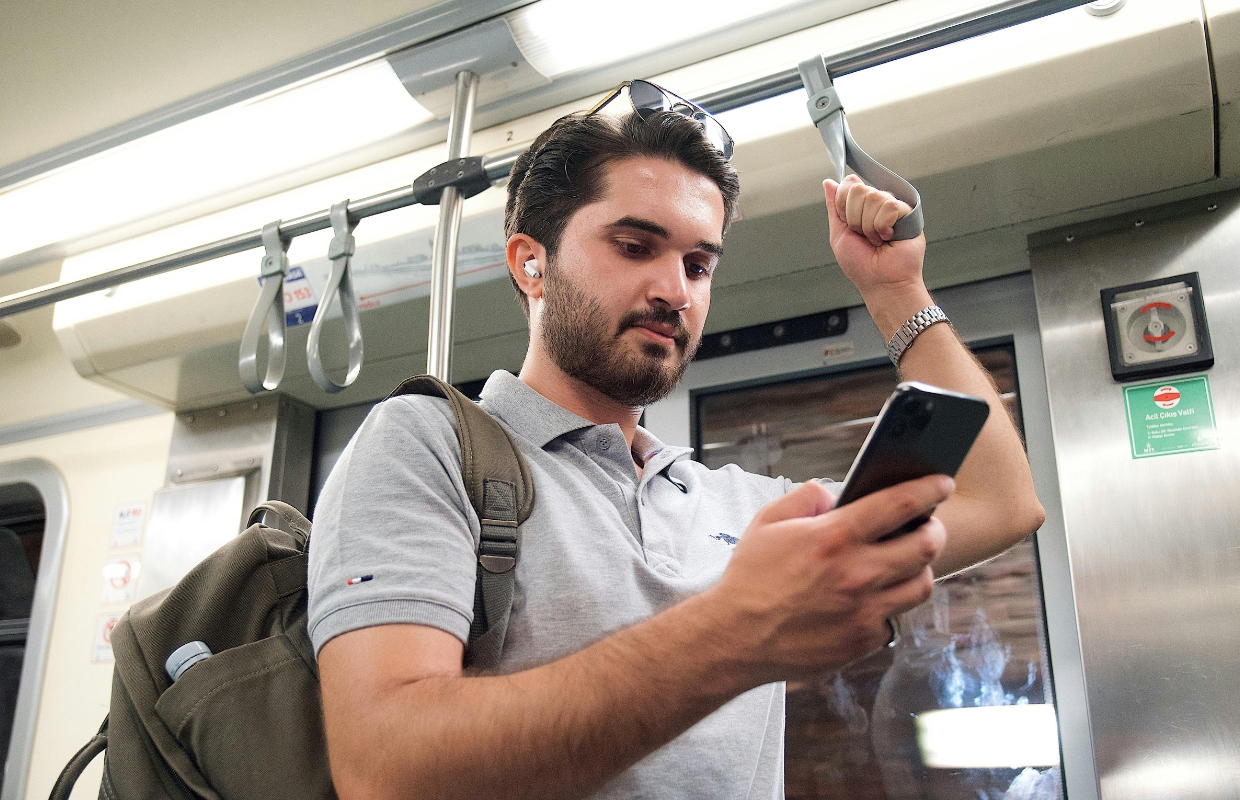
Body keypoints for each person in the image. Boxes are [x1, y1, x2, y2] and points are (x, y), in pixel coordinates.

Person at [308, 80, 1045, 800]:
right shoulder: (428, 444)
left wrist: (896, 292)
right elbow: (386, 767)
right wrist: (740, 629)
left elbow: (1000, 502)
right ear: (530, 263)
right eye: (635, 247)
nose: (676, 291)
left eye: (698, 264)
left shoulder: (744, 511)